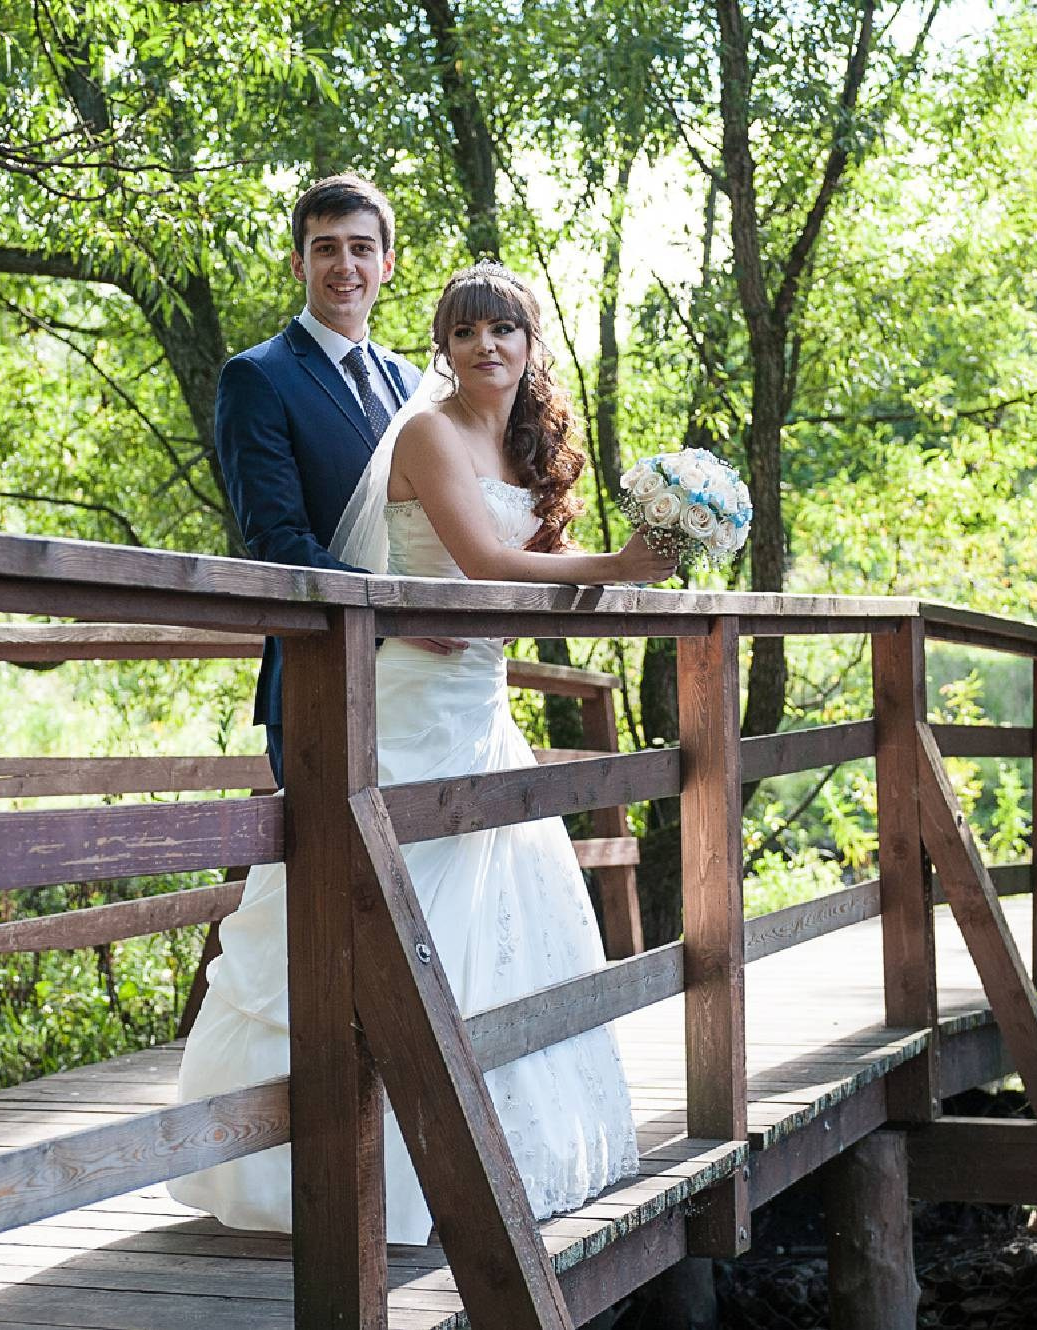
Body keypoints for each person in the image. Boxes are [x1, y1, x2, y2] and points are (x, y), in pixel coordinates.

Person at [170, 261, 676, 1245]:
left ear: (531, 347)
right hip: (410, 704)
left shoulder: (523, 445)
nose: (484, 345)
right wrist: (620, 566)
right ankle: (328, 1158)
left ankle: (487, 1153)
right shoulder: (429, 430)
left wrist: (646, 559)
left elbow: (521, 578)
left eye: (503, 329)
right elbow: (484, 568)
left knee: (498, 915)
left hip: (479, 700)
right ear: (442, 348)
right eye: (463, 331)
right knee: (382, 900)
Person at [212, 173, 423, 787]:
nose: (344, 265)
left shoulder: (415, 385)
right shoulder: (257, 377)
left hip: (427, 678)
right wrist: (403, 614)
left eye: (360, 248)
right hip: (323, 673)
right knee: (334, 876)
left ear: (386, 265)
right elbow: (278, 541)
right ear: (297, 263)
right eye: (325, 247)